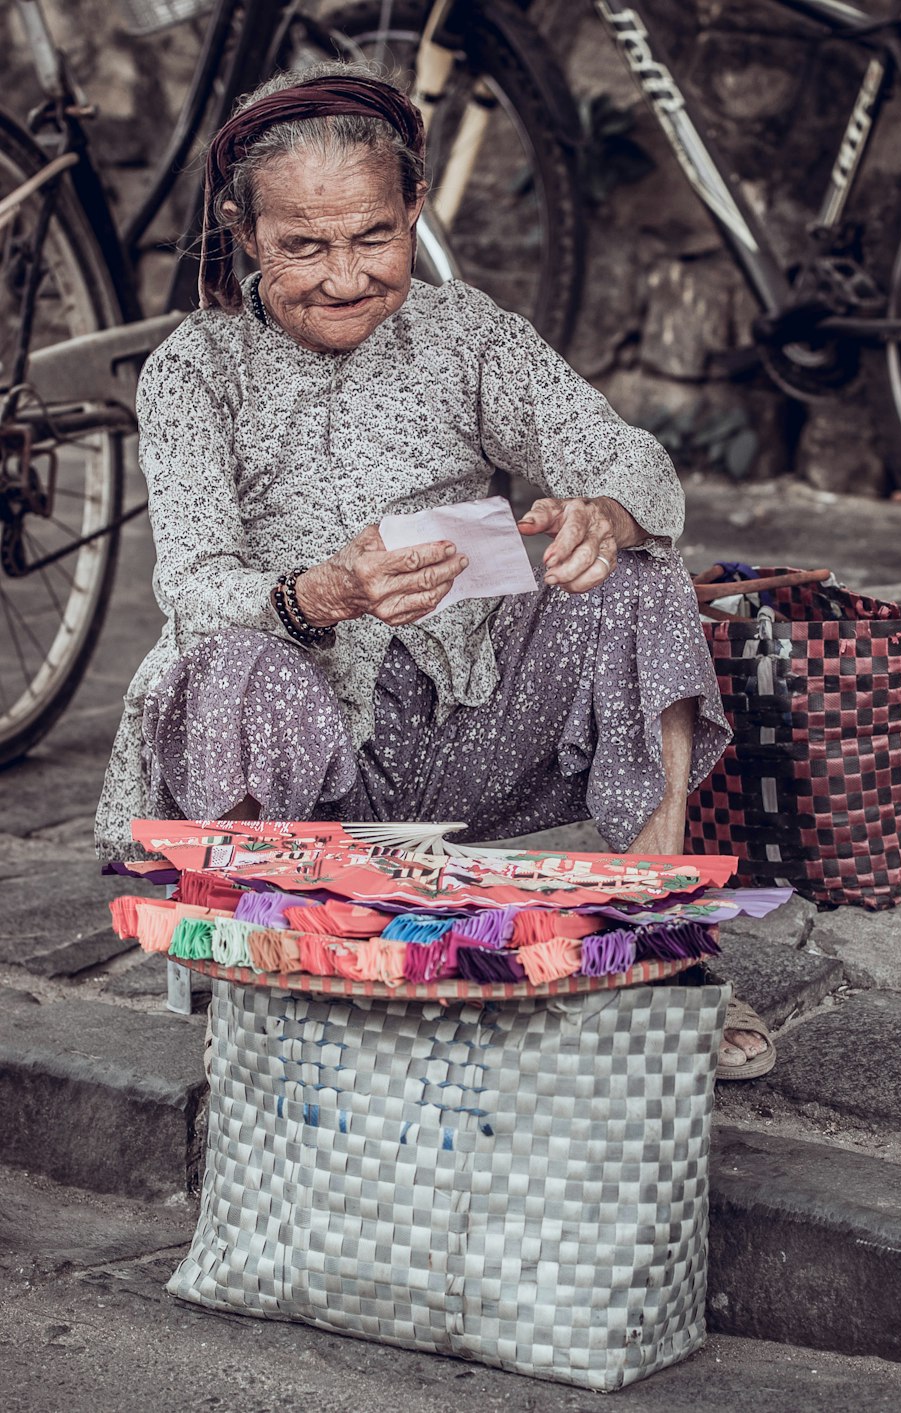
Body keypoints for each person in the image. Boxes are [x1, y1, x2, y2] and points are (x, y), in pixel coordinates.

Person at [95, 63, 773, 1079]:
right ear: (242, 232)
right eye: (302, 246)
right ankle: (261, 966)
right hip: (294, 762)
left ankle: (652, 945)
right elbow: (194, 584)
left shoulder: (467, 335)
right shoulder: (195, 370)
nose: (342, 276)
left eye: (373, 236)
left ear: (414, 205)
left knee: (642, 575)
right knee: (231, 657)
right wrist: (321, 592)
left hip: (466, 729)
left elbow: (627, 454)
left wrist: (607, 512)